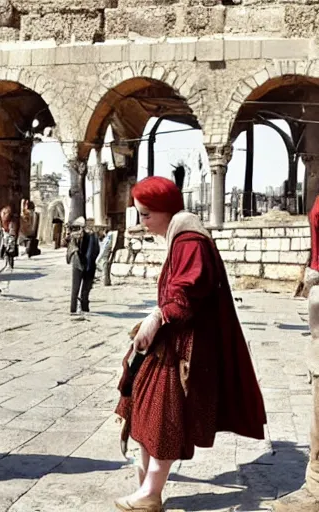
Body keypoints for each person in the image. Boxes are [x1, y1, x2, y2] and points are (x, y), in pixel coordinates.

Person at [115, 176, 267, 512]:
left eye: (145, 215)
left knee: (162, 418)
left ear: (165, 212)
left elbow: (185, 294)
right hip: (169, 341)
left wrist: (157, 318)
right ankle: (146, 487)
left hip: (182, 350)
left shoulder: (190, 242)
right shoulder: (180, 239)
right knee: (143, 410)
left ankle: (151, 494)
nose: (142, 223)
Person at [66, 216, 100, 315]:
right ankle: (83, 307)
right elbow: (96, 250)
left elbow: (70, 246)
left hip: (79, 263)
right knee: (85, 287)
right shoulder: (93, 236)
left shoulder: (76, 235)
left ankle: (75, 309)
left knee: (77, 288)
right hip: (86, 263)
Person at [0, 205, 18, 270]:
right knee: (7, 248)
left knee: (10, 250)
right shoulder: (5, 219)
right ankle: (8, 263)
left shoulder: (12, 221)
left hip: (10, 234)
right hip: (6, 233)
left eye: (5, 213)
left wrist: (12, 235)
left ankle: (10, 264)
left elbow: (12, 229)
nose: (4, 215)